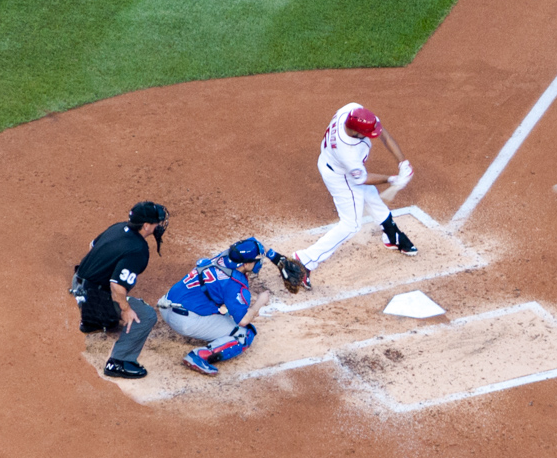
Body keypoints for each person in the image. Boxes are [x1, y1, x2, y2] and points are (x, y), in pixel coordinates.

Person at [292, 103, 417, 290]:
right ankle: (305, 260)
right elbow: (362, 179)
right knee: (351, 225)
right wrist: (392, 179)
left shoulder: (351, 111)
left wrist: (402, 162)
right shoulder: (347, 151)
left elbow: (383, 133)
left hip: (334, 163)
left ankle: (392, 236)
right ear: (356, 132)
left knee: (372, 197)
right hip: (340, 176)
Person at [71, 201, 169, 379]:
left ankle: (93, 321)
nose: (159, 225)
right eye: (156, 222)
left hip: (78, 284)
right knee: (145, 315)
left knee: (111, 289)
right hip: (93, 297)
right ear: (146, 226)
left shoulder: (119, 227)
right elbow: (117, 286)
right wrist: (126, 309)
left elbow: (92, 246)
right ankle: (119, 362)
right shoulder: (138, 249)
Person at [157, 238, 275, 376]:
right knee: (244, 333)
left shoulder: (224, 256)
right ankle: (199, 356)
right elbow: (243, 320)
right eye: (257, 259)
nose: (259, 262)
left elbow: (252, 241)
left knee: (221, 308)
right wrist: (260, 302)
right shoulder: (234, 284)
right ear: (246, 263)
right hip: (183, 322)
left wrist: (278, 260)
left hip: (165, 305)